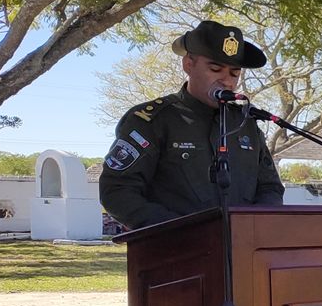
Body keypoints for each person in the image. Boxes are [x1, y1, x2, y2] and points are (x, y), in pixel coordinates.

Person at [99, 20, 284, 228]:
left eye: (234, 73)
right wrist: (179, 230)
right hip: (175, 250)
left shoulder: (245, 123)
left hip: (244, 250)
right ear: (189, 65)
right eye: (215, 69)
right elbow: (117, 190)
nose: (227, 81)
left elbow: (270, 188)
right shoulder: (153, 121)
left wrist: (254, 226)